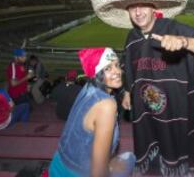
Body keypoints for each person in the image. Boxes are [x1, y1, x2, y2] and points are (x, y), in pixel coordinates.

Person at [91, 0, 194, 175]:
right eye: (132, 7)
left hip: (177, 113)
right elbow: (131, 66)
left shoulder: (174, 27)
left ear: (154, 7)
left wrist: (184, 42)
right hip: (147, 114)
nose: (137, 12)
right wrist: (129, 91)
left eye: (142, 5)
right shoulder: (131, 37)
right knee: (153, 163)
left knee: (177, 163)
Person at [49, 48, 135, 177]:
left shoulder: (88, 88)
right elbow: (98, 172)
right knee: (131, 158)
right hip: (75, 173)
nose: (117, 71)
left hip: (57, 165)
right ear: (96, 73)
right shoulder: (107, 105)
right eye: (108, 68)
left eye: (117, 65)